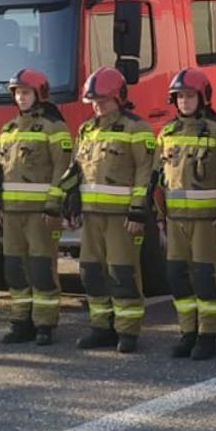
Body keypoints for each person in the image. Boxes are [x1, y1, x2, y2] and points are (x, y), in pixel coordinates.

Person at [62, 67, 155, 353]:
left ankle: (127, 331)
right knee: (91, 272)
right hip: (92, 216)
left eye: (103, 100)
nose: (97, 106)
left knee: (122, 273)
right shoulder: (87, 129)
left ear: (119, 98)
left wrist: (138, 211)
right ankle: (100, 327)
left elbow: (145, 173)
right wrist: (70, 198)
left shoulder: (136, 129)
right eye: (93, 101)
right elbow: (77, 167)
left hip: (121, 218)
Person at [155, 68, 216, 360]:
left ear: (203, 97)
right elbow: (159, 180)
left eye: (190, 96)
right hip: (176, 222)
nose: (184, 101)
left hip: (208, 222)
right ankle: (187, 331)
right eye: (179, 97)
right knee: (178, 277)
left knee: (205, 277)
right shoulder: (167, 132)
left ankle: (208, 334)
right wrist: (160, 218)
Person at [0, 68, 73, 346]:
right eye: (17, 93)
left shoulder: (54, 128)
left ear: (39, 94)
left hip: (40, 213)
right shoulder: (8, 129)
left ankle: (45, 324)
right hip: (11, 212)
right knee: (15, 268)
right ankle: (20, 320)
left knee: (41, 268)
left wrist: (53, 206)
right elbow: (0, 168)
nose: (21, 98)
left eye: (26, 92)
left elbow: (61, 169)